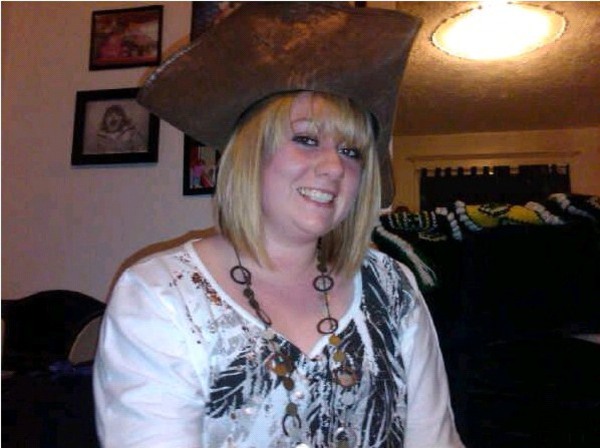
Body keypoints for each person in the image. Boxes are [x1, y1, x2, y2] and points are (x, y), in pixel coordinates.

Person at [94, 3, 465, 447]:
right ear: (251, 155)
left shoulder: (393, 287)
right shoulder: (160, 294)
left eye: (351, 152)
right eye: (306, 139)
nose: (335, 167)